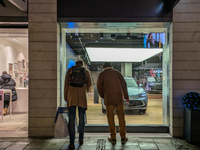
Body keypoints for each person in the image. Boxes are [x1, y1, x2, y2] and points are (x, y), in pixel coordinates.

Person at [97, 62, 129, 144]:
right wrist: (126, 96)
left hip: (109, 99)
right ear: (111, 67)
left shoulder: (102, 74)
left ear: (104, 67)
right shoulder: (117, 73)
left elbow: (99, 87)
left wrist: (103, 96)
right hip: (119, 99)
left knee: (110, 118)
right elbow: (124, 85)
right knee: (121, 117)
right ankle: (123, 137)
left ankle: (113, 137)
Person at [64, 60, 92, 150]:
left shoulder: (70, 71)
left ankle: (72, 142)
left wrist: (66, 96)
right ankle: (81, 139)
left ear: (75, 64)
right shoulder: (86, 72)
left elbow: (65, 85)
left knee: (71, 118)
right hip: (82, 96)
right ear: (82, 65)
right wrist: (85, 90)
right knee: (81, 117)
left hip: (71, 95)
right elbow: (89, 84)